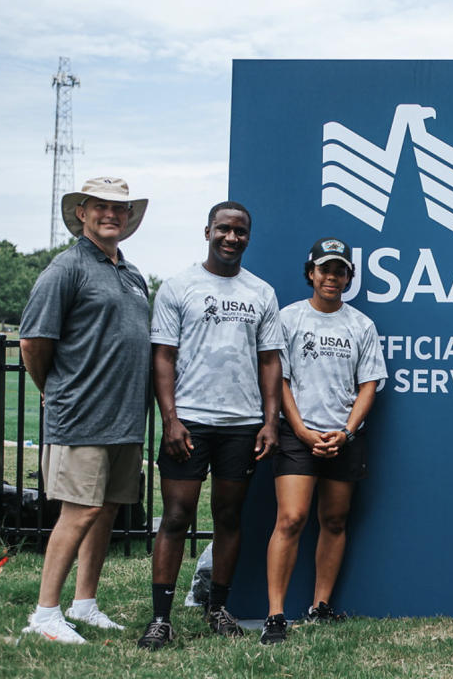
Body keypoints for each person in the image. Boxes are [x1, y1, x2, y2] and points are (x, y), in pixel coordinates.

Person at [138, 201, 284, 650]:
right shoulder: (179, 287)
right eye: (223, 229)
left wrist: (269, 421)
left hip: (241, 424)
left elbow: (269, 361)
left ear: (248, 237)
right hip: (191, 422)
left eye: (240, 231)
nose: (231, 238)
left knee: (228, 516)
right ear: (207, 231)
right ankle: (161, 619)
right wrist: (171, 419)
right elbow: (162, 355)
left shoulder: (261, 291)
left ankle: (217, 607)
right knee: (177, 516)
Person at [19, 177, 152, 643]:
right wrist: (53, 390)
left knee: (107, 510)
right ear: (82, 212)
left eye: (120, 207)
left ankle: (85, 603)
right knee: (78, 512)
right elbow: (34, 342)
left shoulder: (131, 274)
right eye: (100, 206)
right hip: (81, 416)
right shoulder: (66, 268)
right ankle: (44, 614)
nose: (111, 214)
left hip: (125, 418)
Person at [260, 237, 387, 645]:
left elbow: (368, 386)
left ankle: (321, 607)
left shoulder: (361, 325)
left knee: (333, 520)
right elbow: (278, 380)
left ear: (349, 277)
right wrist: (298, 429)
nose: (332, 277)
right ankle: (275, 615)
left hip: (344, 437)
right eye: (325, 270)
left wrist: (346, 432)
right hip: (298, 434)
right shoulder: (288, 318)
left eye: (340, 271)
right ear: (310, 273)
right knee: (292, 519)